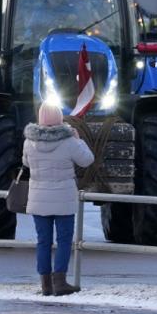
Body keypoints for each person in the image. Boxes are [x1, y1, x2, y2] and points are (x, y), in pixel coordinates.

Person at [23, 102, 94, 296]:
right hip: (63, 197)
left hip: (38, 197)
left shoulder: (29, 142)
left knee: (43, 242)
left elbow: (25, 162)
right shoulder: (69, 141)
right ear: (59, 118)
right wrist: (79, 140)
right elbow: (87, 160)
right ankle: (60, 282)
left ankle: (45, 285)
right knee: (64, 240)